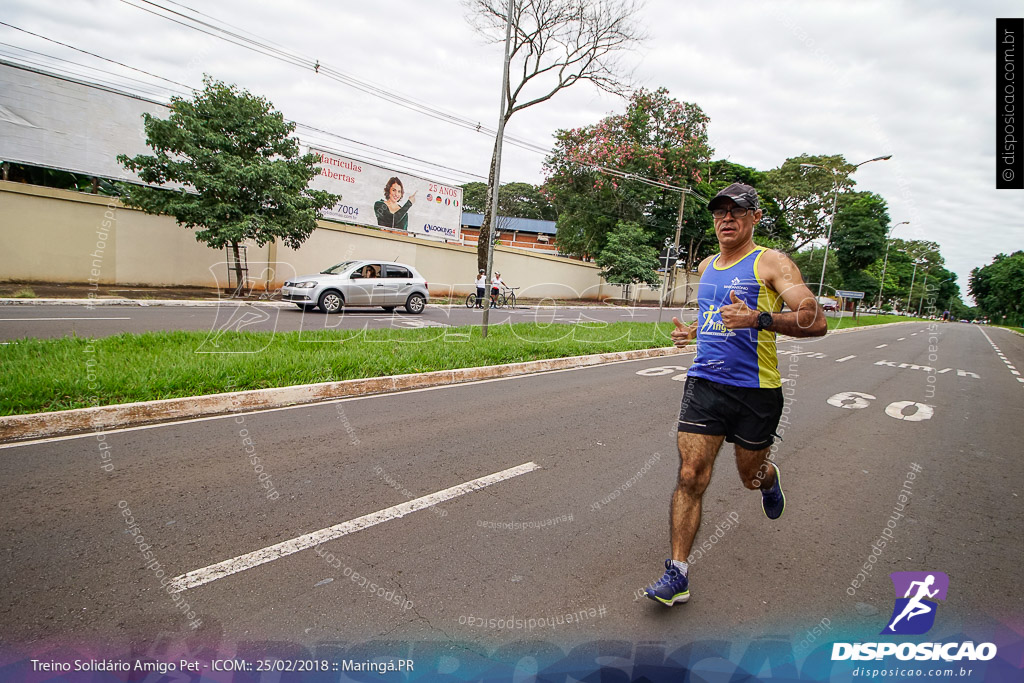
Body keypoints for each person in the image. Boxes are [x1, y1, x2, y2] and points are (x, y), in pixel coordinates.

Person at [645, 182, 828, 607]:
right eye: (719, 211)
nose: (726, 218)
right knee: (691, 474)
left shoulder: (772, 263)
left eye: (736, 211)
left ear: (754, 218)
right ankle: (678, 574)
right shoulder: (708, 263)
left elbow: (816, 321)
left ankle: (769, 477)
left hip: (757, 392)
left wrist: (759, 319)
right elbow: (714, 313)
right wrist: (693, 331)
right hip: (705, 384)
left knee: (749, 477)